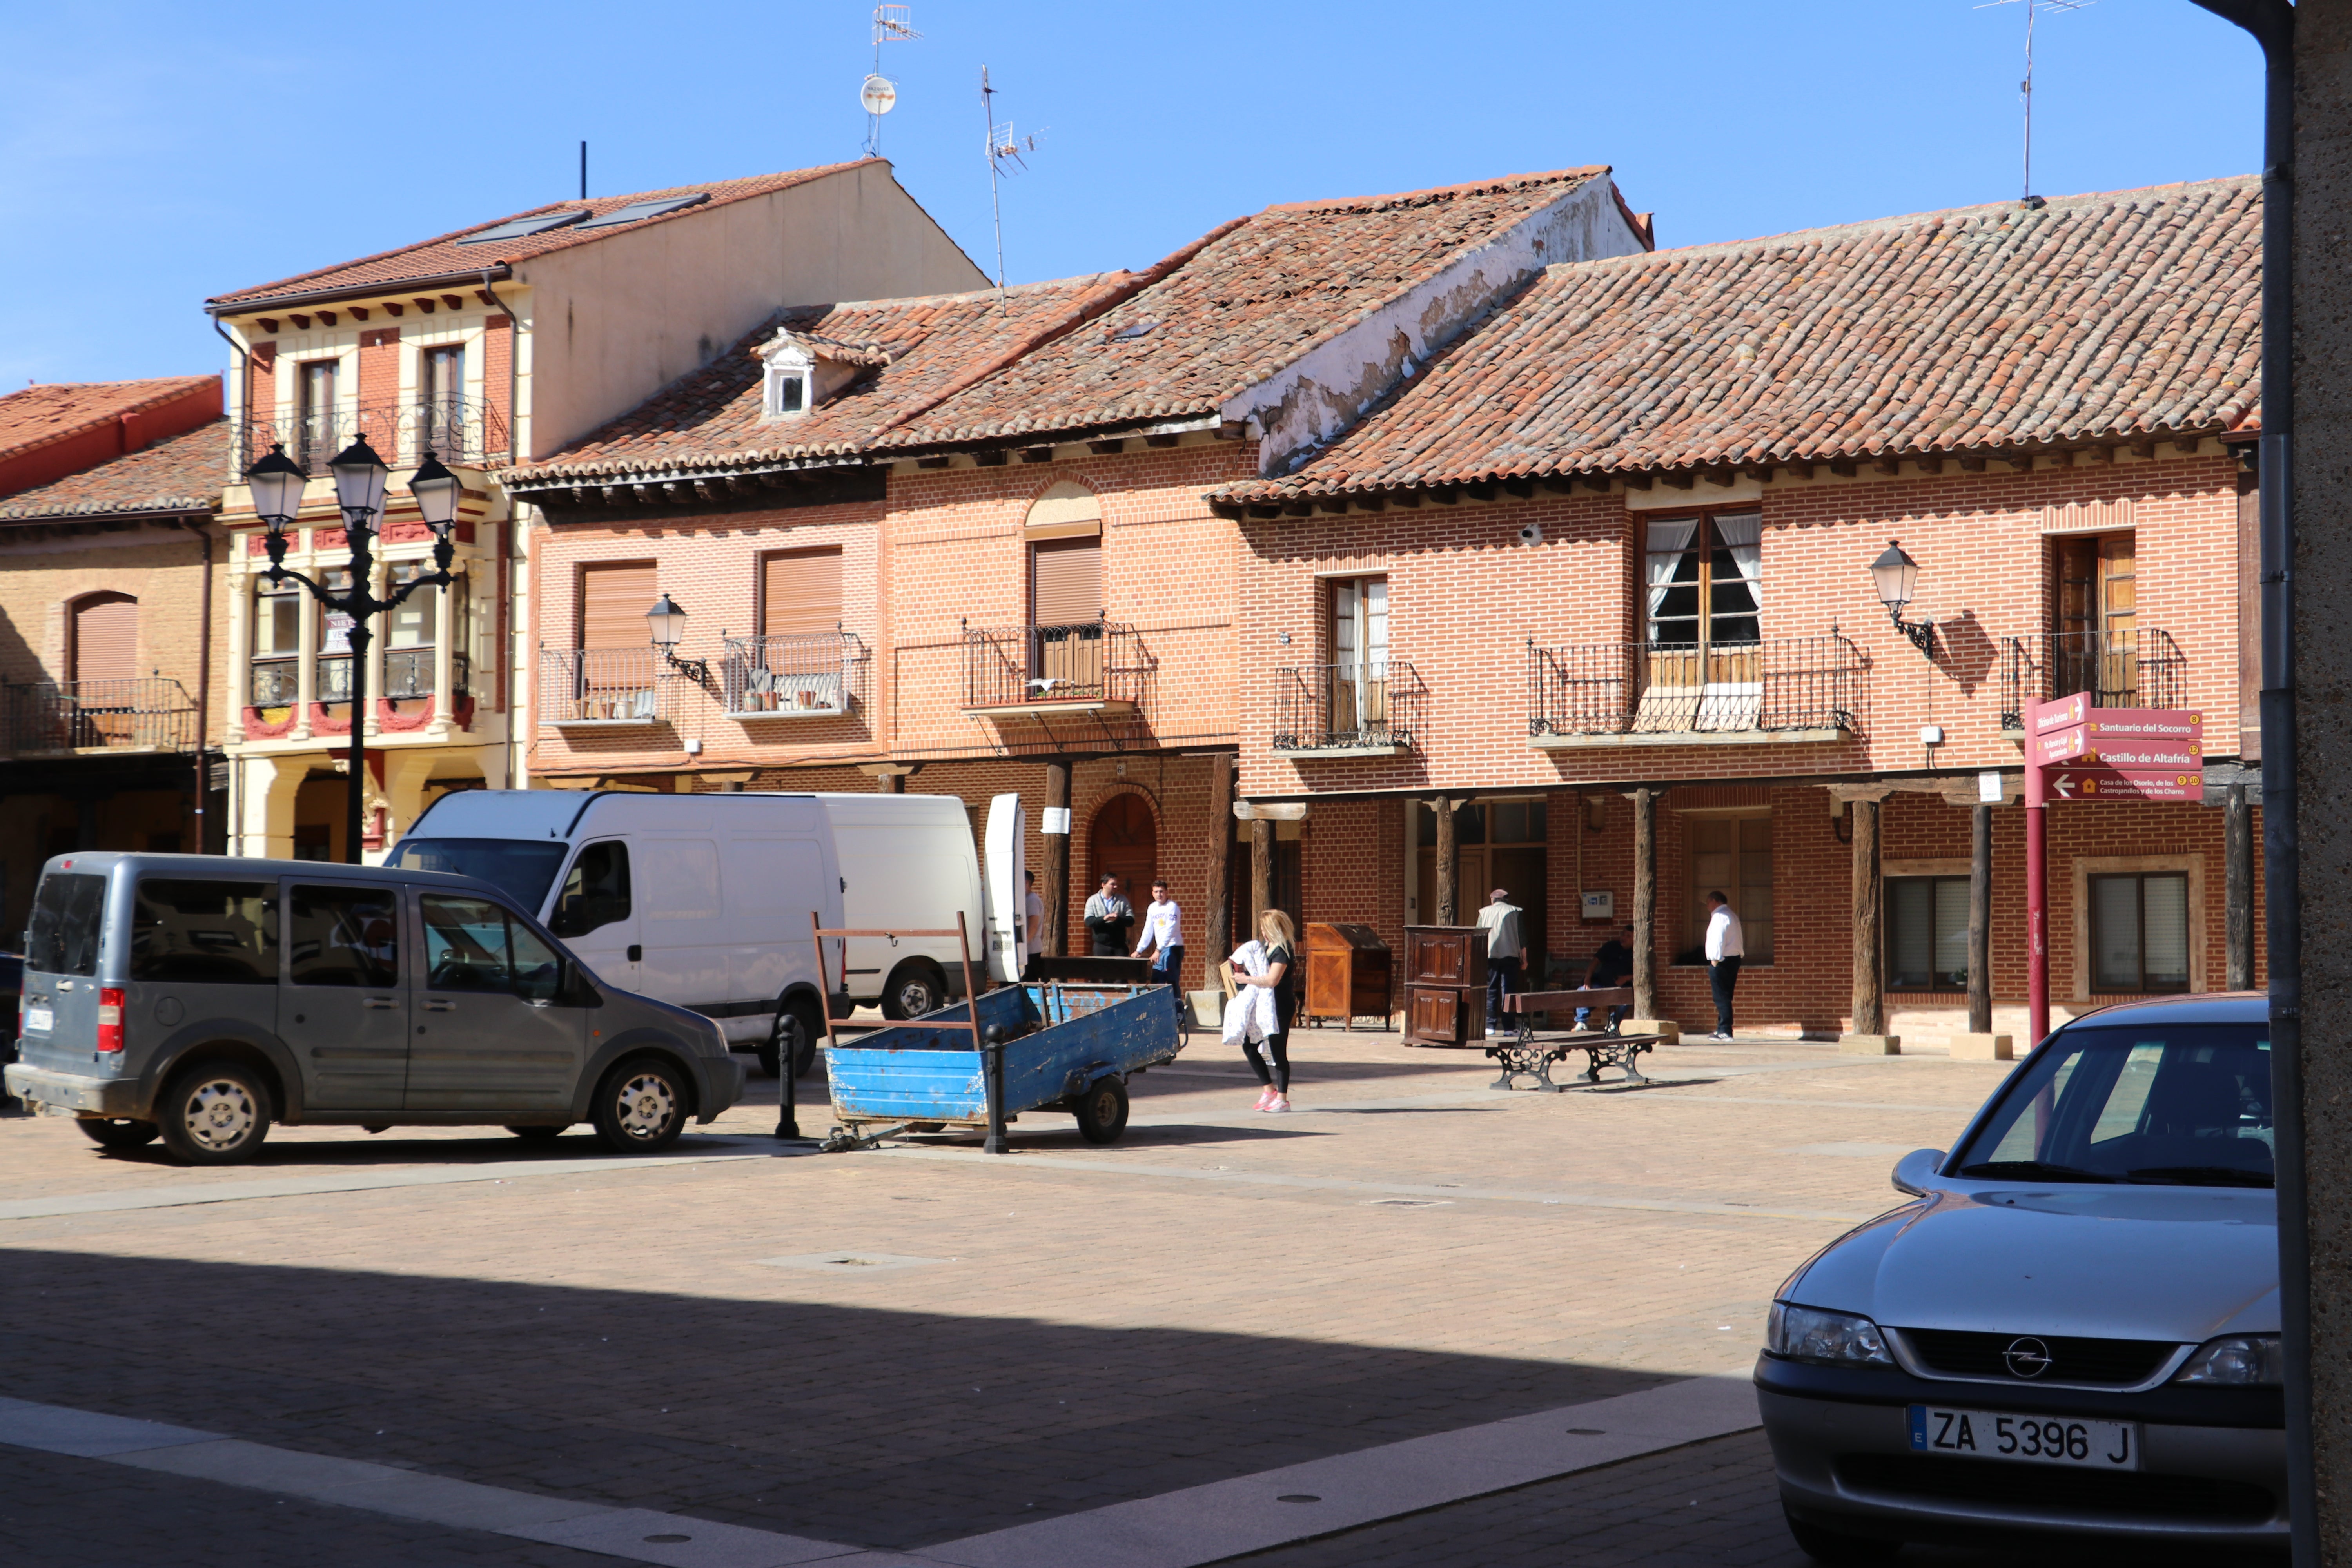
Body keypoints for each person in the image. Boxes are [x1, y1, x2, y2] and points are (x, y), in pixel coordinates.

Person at [1232, 908, 1299, 1112]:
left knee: (1278, 1051)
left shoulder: (1283, 950)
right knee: (1248, 1044)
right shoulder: (1264, 947)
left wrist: (1247, 979)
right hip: (1262, 1004)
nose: (1262, 933)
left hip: (1280, 1005)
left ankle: (1283, 1098)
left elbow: (1272, 980)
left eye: (1265, 929)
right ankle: (1268, 1090)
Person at [1132, 877, 1185, 1021]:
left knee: (1171, 981)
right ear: (1152, 893)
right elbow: (1148, 930)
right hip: (1160, 950)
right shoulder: (1152, 908)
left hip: (1173, 948)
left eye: (1162, 892)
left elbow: (1170, 930)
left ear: (1167, 892)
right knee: (1157, 979)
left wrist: (1159, 950)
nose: (1159, 895)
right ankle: (1160, 1014)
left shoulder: (1172, 907)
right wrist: (1139, 950)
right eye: (1156, 892)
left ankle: (1178, 1014)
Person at [1475, 887, 1524, 1034]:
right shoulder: (1516, 911)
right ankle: (1509, 1028)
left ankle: (1489, 1026)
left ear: (1493, 900)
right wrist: (1525, 959)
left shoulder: (1483, 912)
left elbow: (1478, 936)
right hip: (1511, 956)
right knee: (1509, 992)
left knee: (1491, 990)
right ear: (1506, 899)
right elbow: (1522, 938)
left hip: (1491, 956)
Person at [1576, 922, 1636, 1034]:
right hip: (1602, 982)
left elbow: (1643, 972)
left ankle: (1613, 1024)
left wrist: (1626, 978)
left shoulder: (1637, 952)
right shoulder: (1611, 946)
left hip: (1621, 987)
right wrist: (1587, 979)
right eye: (1623, 934)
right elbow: (1595, 962)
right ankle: (1582, 1023)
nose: (1624, 938)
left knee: (1625, 1001)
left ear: (1635, 939)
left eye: (1628, 936)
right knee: (1582, 991)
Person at [1704, 891, 1744, 1040]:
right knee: (1725, 997)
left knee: (1721, 997)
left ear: (1715, 901)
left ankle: (1725, 1030)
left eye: (1708, 902)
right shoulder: (1731, 915)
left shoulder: (1720, 917)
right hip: (1733, 959)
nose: (1708, 906)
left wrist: (1715, 959)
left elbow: (1718, 938)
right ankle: (1722, 1027)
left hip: (1723, 960)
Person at [1082, 873, 1134, 956]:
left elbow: (1131, 920)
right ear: (1103, 885)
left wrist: (1118, 919)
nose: (1116, 887)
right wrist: (1104, 919)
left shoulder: (1123, 900)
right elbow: (1089, 922)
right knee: (1101, 970)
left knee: (1122, 969)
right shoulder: (1093, 900)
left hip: (1119, 946)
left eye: (1117, 884)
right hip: (1101, 946)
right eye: (1113, 884)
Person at [1023, 869, 1044, 952]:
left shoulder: (1032, 900)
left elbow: (1033, 927)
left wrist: (1023, 947)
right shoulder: (1027, 899)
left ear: (1026, 883)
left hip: (1031, 950)